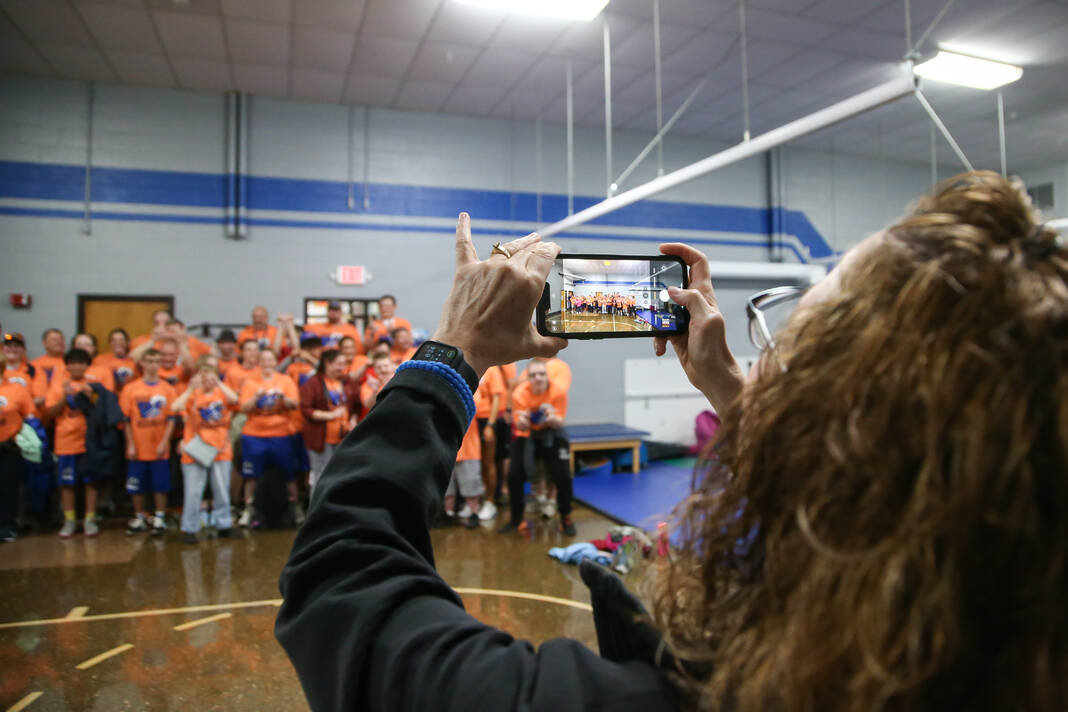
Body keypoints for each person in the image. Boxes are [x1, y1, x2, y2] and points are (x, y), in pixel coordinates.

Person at [500, 358, 574, 536]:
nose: (538, 378)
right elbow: (520, 426)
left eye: (542, 374)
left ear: (547, 376)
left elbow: (559, 422)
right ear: (528, 378)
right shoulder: (520, 394)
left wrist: (551, 419)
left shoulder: (558, 392)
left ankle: (566, 518)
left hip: (552, 433)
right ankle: (516, 519)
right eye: (533, 375)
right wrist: (524, 422)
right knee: (513, 475)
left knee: (563, 476)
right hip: (529, 435)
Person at [171, 354, 239, 542]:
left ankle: (224, 524)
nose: (208, 379)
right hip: (196, 449)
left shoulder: (222, 393)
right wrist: (190, 390)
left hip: (220, 448)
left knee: (221, 490)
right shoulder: (193, 394)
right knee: (193, 491)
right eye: (204, 375)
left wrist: (219, 383)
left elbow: (234, 399)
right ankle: (189, 528)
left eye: (211, 375)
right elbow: (175, 407)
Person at [237, 348, 300, 527]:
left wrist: (283, 397)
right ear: (259, 362)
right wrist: (256, 399)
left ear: (275, 362)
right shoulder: (251, 382)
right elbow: (243, 407)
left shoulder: (285, 380)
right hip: (254, 435)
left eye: (270, 360)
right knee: (251, 475)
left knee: (289, 474)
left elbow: (294, 404)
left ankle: (294, 507)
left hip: (281, 434)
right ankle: (249, 509)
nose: (267, 364)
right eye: (263, 360)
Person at [120, 349, 177, 536]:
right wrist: (130, 444)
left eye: (156, 361)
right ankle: (139, 515)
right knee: (136, 483)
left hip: (159, 445)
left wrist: (164, 442)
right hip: (138, 444)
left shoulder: (167, 389)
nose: (153, 365)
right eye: (149, 361)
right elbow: (126, 420)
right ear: (142, 363)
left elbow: (171, 419)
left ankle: (159, 516)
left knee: (161, 483)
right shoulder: (131, 389)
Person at [44, 348, 99, 539]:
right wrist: (64, 397)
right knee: (67, 483)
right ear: (66, 366)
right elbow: (50, 413)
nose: (77, 366)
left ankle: (90, 519)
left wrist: (91, 396)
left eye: (81, 362)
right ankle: (69, 520)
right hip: (65, 442)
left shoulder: (92, 385)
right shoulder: (59, 385)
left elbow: (102, 413)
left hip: (88, 442)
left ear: (86, 365)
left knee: (91, 483)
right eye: (73, 362)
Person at [0, 352, 44, 543]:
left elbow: (30, 417)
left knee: (8, 487)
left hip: (9, 446)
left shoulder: (16, 389)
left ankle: (7, 526)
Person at [299, 349, 351, 492]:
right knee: (320, 475)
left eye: (344, 364)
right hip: (321, 439)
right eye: (338, 364)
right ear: (327, 364)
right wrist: (330, 415)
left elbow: (355, 405)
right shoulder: (314, 382)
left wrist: (352, 419)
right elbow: (305, 409)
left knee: (341, 474)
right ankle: (315, 510)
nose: (342, 367)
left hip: (343, 437)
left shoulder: (346, 381)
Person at [473, 365, 506, 521]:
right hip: (470, 420)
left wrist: (490, 425)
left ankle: (490, 500)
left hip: (486, 420)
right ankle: (474, 500)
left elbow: (497, 398)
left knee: (488, 462)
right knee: (473, 462)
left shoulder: (492, 369)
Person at [31, 328, 66, 408]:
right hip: (38, 407)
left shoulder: (70, 363)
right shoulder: (34, 364)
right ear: (45, 343)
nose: (59, 342)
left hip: (61, 406)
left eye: (62, 339)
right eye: (54, 339)